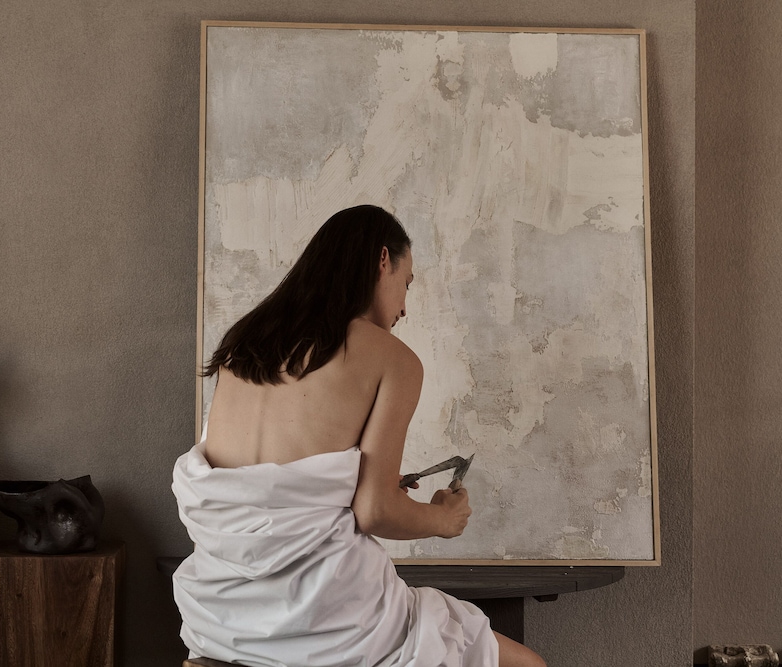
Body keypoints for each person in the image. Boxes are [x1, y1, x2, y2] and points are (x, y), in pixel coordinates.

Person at [172, 205, 546, 667]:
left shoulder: (243, 343)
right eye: (407, 284)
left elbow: (268, 493)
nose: (405, 306)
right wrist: (442, 519)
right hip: (328, 625)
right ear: (382, 260)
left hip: (221, 621)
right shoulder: (392, 358)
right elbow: (374, 512)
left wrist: (353, 487)